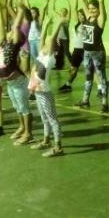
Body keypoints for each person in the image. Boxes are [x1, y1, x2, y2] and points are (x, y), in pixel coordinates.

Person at [0, 1, 34, 145]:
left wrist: (21, 11)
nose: (10, 31)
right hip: (10, 83)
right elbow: (1, 27)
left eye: (12, 32)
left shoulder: (15, 43)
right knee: (17, 107)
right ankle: (21, 127)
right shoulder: (3, 42)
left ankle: (28, 134)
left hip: (18, 82)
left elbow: (16, 26)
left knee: (24, 108)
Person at [28, 10, 64, 157]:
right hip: (37, 92)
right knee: (44, 119)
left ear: (53, 48)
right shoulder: (41, 54)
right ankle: (46, 140)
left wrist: (59, 23)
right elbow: (42, 37)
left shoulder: (50, 58)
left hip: (45, 93)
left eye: (49, 43)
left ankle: (58, 147)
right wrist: (47, 24)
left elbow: (52, 37)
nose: (44, 43)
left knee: (52, 119)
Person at [76, 0, 109, 113]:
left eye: (93, 8)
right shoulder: (88, 17)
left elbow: (101, 2)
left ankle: (105, 103)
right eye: (89, 9)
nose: (91, 10)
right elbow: (83, 0)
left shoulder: (100, 20)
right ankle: (85, 100)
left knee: (101, 77)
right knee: (88, 77)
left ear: (98, 10)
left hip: (97, 52)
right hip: (87, 52)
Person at [58, 0, 86, 93]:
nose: (79, 16)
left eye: (82, 15)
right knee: (73, 68)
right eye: (79, 15)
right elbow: (74, 10)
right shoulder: (76, 23)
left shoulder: (88, 24)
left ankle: (100, 86)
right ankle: (68, 84)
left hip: (85, 49)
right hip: (77, 49)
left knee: (92, 71)